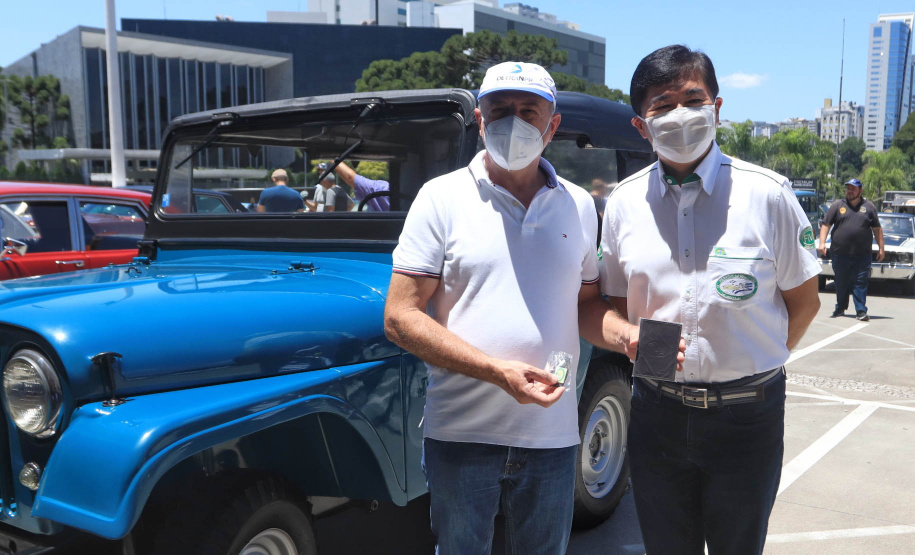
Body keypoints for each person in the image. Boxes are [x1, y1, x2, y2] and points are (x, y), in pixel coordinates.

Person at [383, 62, 644, 555]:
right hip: (460, 436)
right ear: (480, 120)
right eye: (500, 110)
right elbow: (401, 317)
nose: (513, 122)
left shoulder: (579, 206)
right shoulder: (440, 199)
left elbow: (586, 304)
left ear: (553, 125)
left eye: (529, 111)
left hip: (553, 438)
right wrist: (495, 371)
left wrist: (624, 335)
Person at [579, 45, 821, 555]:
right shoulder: (623, 203)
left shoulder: (769, 196)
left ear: (717, 107)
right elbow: (612, 309)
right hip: (656, 414)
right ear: (641, 127)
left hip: (747, 418)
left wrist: (752, 360)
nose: (681, 115)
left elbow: (804, 305)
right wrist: (630, 338)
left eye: (693, 99)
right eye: (662, 106)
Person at [818, 178, 884, 321]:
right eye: (848, 188)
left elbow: (877, 229)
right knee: (841, 282)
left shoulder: (869, 207)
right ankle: (840, 308)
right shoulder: (837, 205)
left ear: (860, 191)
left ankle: (860, 311)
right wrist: (822, 243)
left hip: (862, 255)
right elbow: (825, 225)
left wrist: (881, 248)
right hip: (840, 254)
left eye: (853, 188)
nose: (850, 190)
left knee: (860, 282)